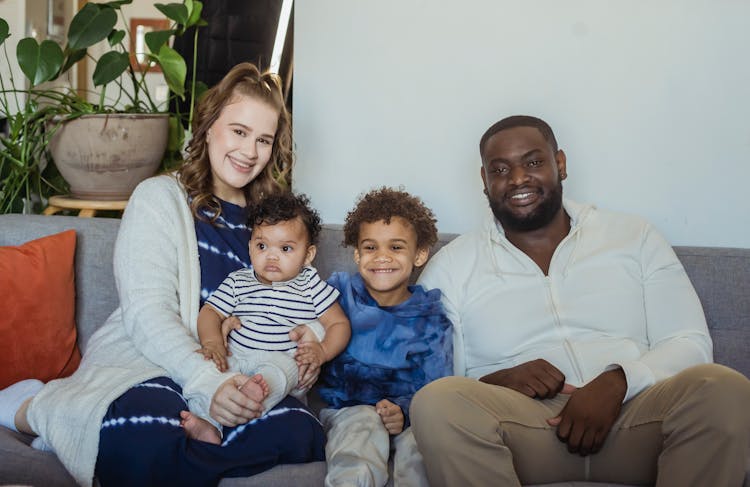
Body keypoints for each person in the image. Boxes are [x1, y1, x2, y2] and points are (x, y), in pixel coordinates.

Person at [0, 63, 328, 487]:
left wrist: (305, 351)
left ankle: (193, 438)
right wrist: (208, 382)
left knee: (302, 434)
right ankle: (40, 407)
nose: (250, 152)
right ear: (209, 127)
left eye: (263, 140)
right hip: (151, 360)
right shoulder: (159, 198)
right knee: (145, 441)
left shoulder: (275, 224)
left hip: (245, 369)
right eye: (239, 131)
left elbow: (299, 312)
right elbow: (146, 312)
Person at [410, 115, 750, 487]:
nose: (518, 178)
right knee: (437, 401)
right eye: (501, 169)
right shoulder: (452, 266)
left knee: (723, 387)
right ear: (484, 181)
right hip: (524, 433)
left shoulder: (633, 237)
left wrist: (618, 380)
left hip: (636, 419)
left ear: (561, 164)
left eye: (533, 162)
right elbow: (432, 375)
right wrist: (498, 380)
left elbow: (689, 342)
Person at [182, 191, 351, 444]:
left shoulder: (310, 284)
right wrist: (213, 343)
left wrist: (322, 352)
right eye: (262, 246)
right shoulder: (238, 281)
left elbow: (339, 324)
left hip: (282, 363)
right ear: (250, 246)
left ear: (308, 255)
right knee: (207, 371)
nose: (271, 256)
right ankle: (210, 423)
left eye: (285, 248)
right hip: (237, 358)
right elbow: (210, 312)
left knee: (287, 368)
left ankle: (253, 397)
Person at [317, 187, 453, 487]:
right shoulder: (337, 294)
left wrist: (403, 412)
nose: (382, 258)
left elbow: (435, 390)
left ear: (419, 254)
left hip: (407, 417)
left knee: (421, 447)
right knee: (362, 429)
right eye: (370, 247)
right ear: (356, 253)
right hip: (347, 410)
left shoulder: (430, 319)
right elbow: (299, 317)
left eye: (396, 247)